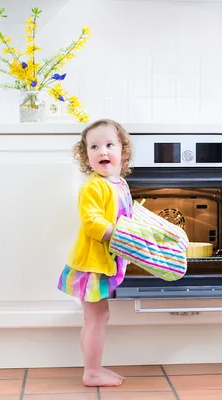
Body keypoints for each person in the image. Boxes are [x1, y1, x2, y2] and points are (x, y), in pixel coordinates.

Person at [57, 119, 134, 387]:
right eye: (94, 146)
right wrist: (123, 237)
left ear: (123, 151)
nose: (102, 151)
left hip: (101, 263)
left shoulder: (118, 183)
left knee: (96, 317)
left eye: (109, 145)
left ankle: (93, 367)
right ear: (85, 155)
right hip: (91, 265)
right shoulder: (94, 186)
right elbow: (92, 222)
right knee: (97, 317)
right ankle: (92, 371)